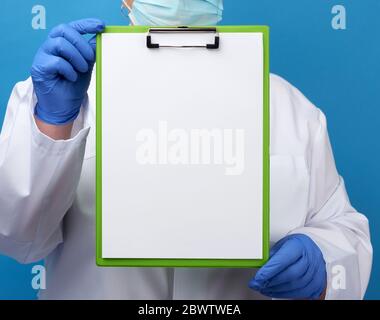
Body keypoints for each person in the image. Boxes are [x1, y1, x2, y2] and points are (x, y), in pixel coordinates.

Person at [0, 0, 372, 300]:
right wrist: (51, 124)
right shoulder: (62, 95)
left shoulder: (288, 107)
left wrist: (322, 259)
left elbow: (343, 228)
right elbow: (16, 239)